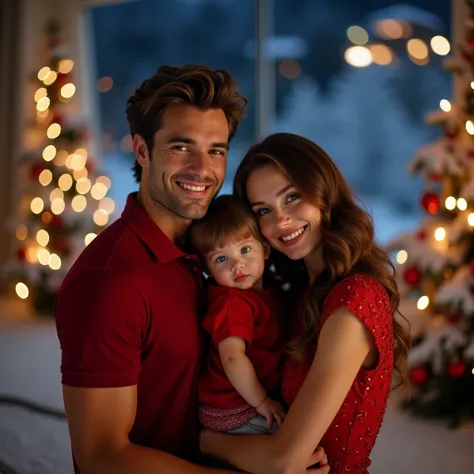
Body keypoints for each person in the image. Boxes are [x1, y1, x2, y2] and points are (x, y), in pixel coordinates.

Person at [55, 66, 329, 474]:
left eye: (216, 149)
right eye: (182, 147)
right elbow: (102, 456)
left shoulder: (215, 250)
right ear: (142, 151)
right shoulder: (111, 281)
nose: (203, 169)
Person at [199, 133, 411, 474]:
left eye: (292, 197)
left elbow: (284, 462)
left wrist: (205, 440)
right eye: (264, 211)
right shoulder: (298, 293)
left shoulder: (355, 299)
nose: (280, 221)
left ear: (324, 192)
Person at [190, 195, 286, 435]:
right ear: (207, 270)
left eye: (245, 250)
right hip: (230, 409)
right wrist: (262, 401)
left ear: (264, 249)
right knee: (290, 440)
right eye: (221, 259)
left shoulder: (261, 294)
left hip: (244, 400)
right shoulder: (232, 304)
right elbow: (232, 358)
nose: (237, 265)